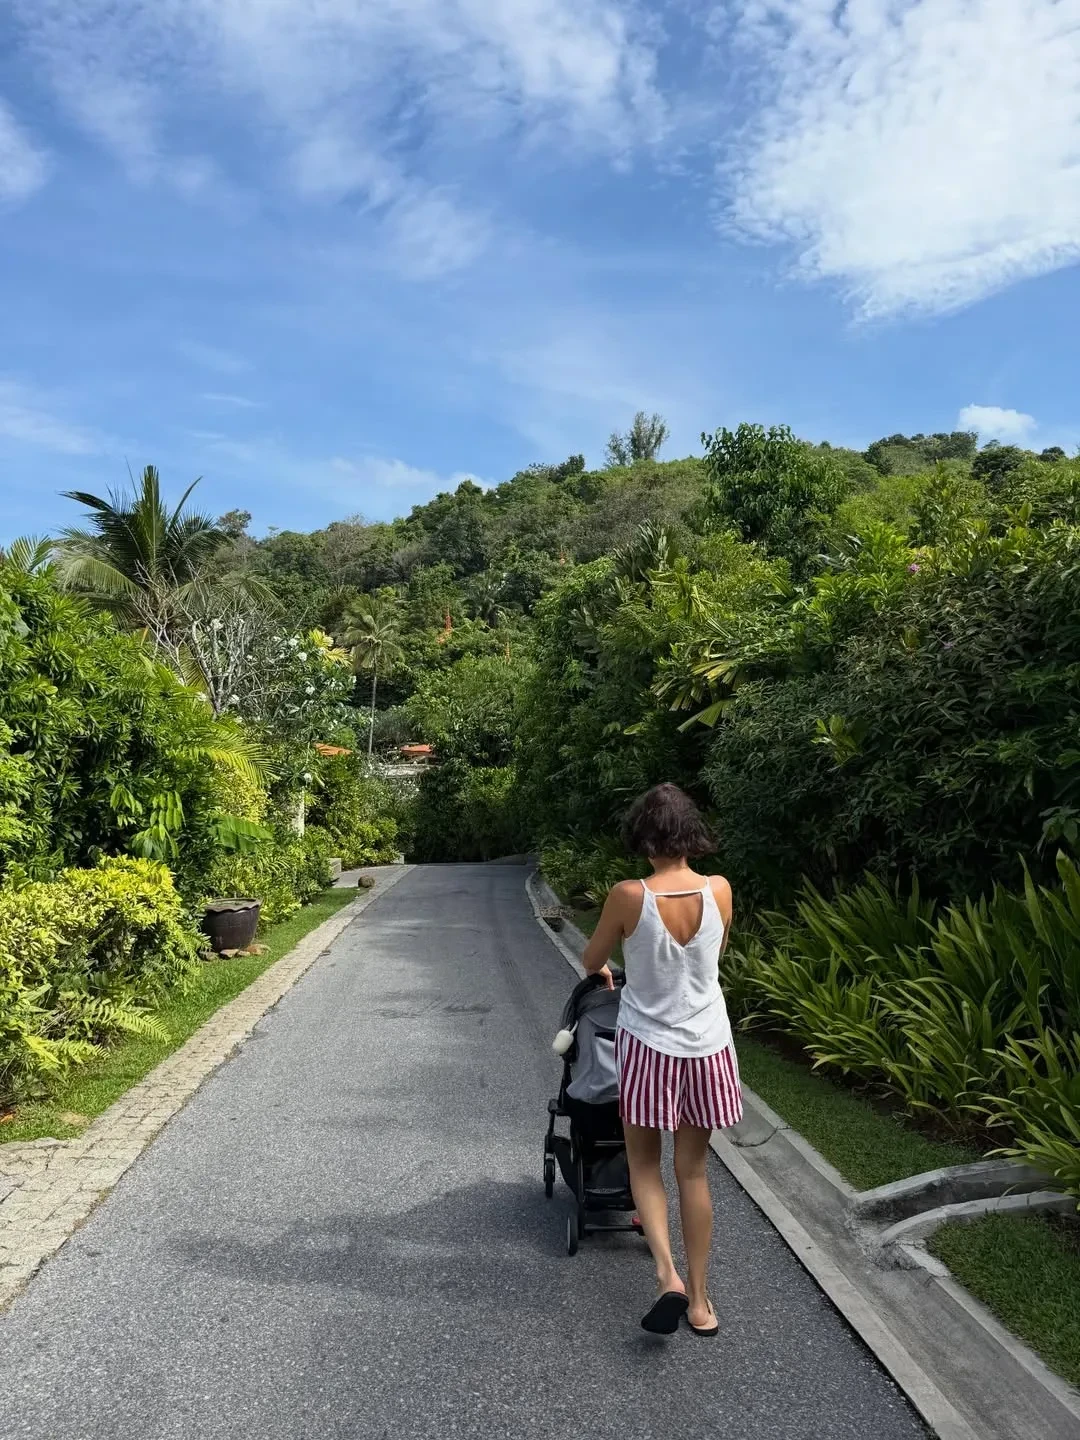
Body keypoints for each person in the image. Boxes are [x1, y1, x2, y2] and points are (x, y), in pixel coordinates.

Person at [581, 782, 741, 1337]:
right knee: (692, 1170)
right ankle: (699, 1303)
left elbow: (592, 959)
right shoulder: (719, 889)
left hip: (648, 1046)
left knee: (644, 1165)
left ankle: (666, 1275)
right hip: (708, 1046)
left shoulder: (629, 895)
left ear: (643, 837)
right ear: (691, 834)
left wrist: (608, 968)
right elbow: (713, 957)